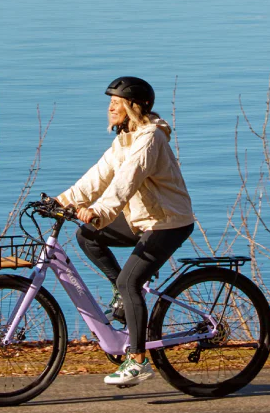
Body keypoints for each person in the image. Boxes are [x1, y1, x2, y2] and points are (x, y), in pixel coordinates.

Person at [56, 76, 195, 387]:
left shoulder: (150, 139)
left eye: (116, 102)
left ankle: (137, 360)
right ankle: (122, 294)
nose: (110, 107)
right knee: (87, 236)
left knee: (129, 280)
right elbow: (98, 177)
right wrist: (61, 201)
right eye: (109, 102)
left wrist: (100, 212)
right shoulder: (124, 139)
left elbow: (125, 182)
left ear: (134, 106)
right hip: (141, 219)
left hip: (168, 222)